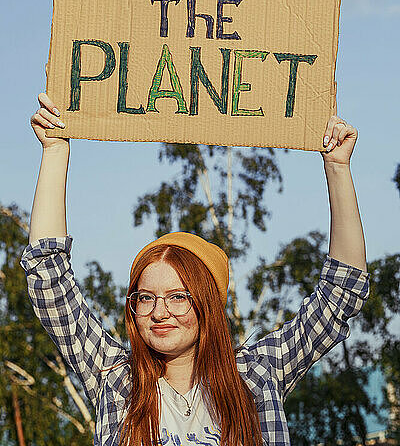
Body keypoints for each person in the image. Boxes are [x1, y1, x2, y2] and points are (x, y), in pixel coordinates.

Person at [21, 92, 369, 446]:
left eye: (177, 297)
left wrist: (338, 168)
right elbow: (48, 277)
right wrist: (54, 152)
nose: (160, 312)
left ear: (207, 303)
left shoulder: (258, 375)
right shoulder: (117, 382)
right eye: (145, 298)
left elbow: (341, 294)